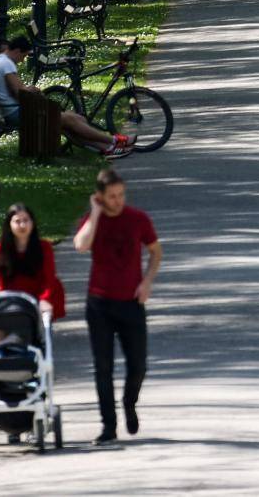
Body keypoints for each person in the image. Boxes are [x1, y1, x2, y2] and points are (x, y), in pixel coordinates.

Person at [73, 166, 161, 445]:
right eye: (111, 196)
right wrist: (96, 214)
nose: (118, 201)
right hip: (99, 303)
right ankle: (108, 426)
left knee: (138, 366)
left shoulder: (138, 219)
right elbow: (80, 245)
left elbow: (155, 252)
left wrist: (146, 281)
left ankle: (129, 402)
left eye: (121, 195)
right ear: (99, 196)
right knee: (103, 367)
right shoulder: (93, 220)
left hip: (131, 303)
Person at [0, 38, 134, 155]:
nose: (22, 60)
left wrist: (30, 91)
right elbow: (19, 93)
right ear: (16, 51)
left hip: (16, 110)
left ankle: (106, 148)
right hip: (16, 113)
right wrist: (32, 90)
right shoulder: (6, 65)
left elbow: (17, 91)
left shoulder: (1, 61)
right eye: (23, 55)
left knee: (75, 118)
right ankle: (114, 140)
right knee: (70, 119)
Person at [0, 203, 67, 335]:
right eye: (17, 221)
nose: (22, 225)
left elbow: (49, 278)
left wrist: (45, 300)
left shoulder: (44, 247)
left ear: (32, 223)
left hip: (35, 302)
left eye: (26, 220)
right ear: (9, 224)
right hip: (8, 302)